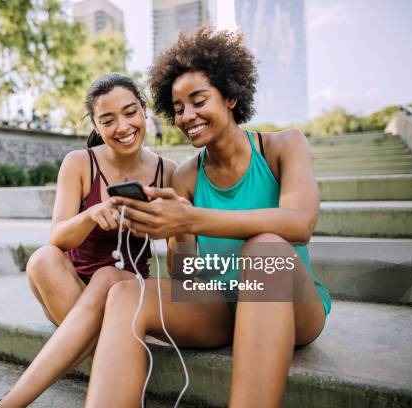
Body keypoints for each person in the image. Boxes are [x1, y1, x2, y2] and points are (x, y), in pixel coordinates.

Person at [85, 28, 331, 407]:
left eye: (199, 101)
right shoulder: (184, 176)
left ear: (231, 95)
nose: (188, 116)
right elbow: (187, 279)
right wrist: (169, 231)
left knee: (265, 250)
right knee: (123, 294)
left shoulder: (284, 146)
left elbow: (300, 223)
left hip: (291, 305)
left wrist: (192, 219)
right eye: (179, 108)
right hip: (218, 308)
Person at [0, 72, 176, 408]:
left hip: (125, 291)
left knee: (109, 277)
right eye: (108, 120)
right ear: (94, 123)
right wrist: (91, 215)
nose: (122, 127)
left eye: (130, 112)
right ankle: (123, 361)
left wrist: (165, 223)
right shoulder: (79, 163)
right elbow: (58, 237)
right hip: (71, 294)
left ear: (143, 110)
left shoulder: (169, 171)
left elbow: (181, 252)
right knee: (43, 259)